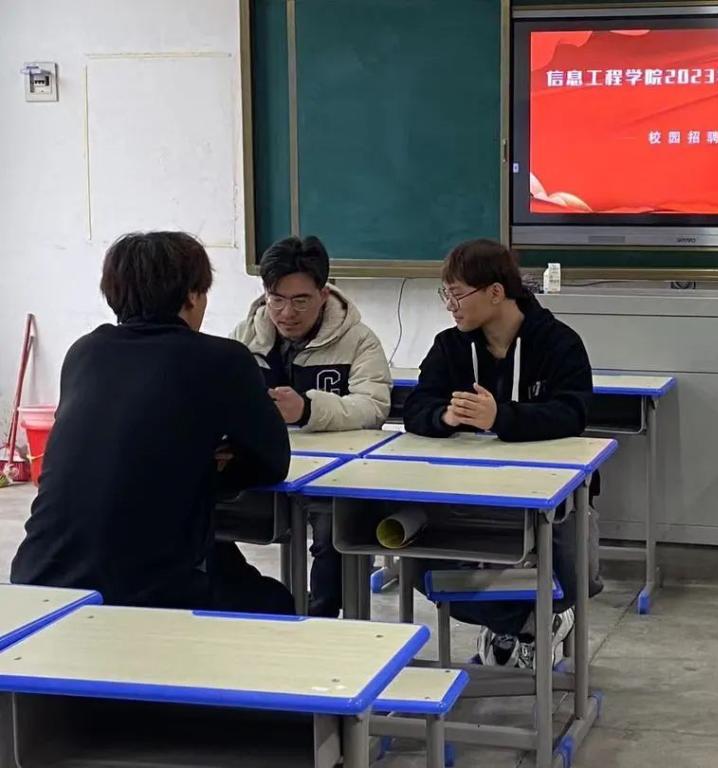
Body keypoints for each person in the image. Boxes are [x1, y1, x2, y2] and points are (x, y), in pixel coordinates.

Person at [11, 231, 293, 614]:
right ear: (192, 295)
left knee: (218, 558)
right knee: (277, 605)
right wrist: (211, 465)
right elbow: (273, 462)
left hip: (38, 580)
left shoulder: (84, 353)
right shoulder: (223, 359)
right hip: (144, 594)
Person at [403, 238, 594, 669]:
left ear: (495, 292)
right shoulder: (450, 346)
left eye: (457, 294)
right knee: (419, 568)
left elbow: (574, 412)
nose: (450, 305)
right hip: (462, 492)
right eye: (445, 294)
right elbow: (415, 408)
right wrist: (445, 416)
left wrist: (501, 418)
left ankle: (530, 621)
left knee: (570, 575)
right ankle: (530, 624)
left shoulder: (558, 342)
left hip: (544, 494)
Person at [231, 235, 391, 617]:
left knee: (334, 531)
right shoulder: (245, 338)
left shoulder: (359, 341)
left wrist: (307, 410)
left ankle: (322, 618)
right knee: (200, 511)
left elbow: (373, 407)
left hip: (334, 473)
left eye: (300, 300)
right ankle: (259, 612)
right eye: (276, 299)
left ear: (323, 294)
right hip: (262, 466)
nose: (287, 312)